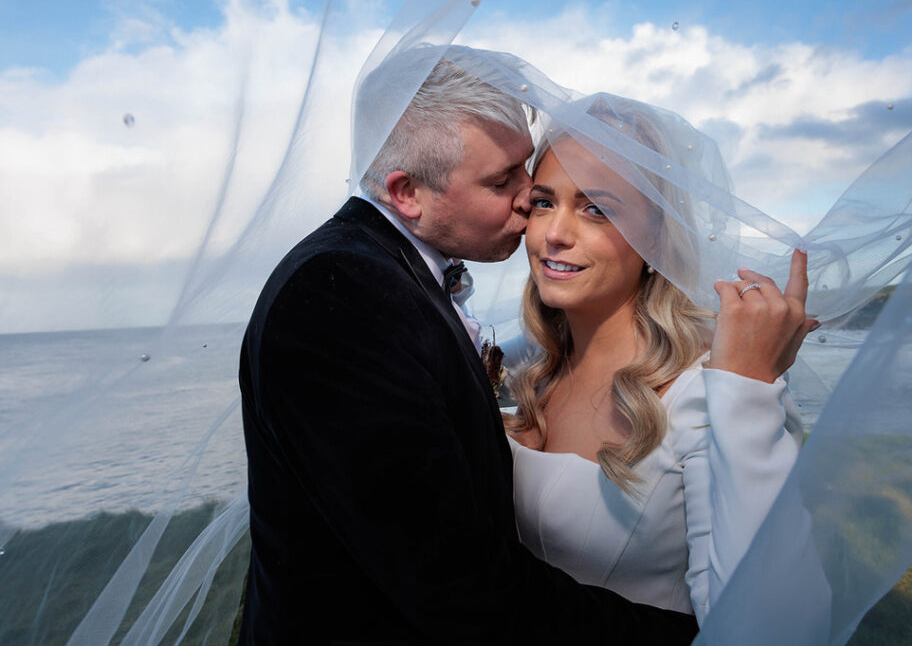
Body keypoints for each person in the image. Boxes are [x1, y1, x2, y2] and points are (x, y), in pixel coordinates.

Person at [238, 53, 708, 643]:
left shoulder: (385, 273)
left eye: (525, 173)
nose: (528, 196)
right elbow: (453, 584)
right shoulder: (339, 295)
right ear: (407, 193)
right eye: (502, 181)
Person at [503, 94, 821, 624]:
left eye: (596, 209)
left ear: (656, 237)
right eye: (543, 202)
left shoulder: (704, 393)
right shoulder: (533, 366)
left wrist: (747, 391)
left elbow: (768, 621)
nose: (554, 234)